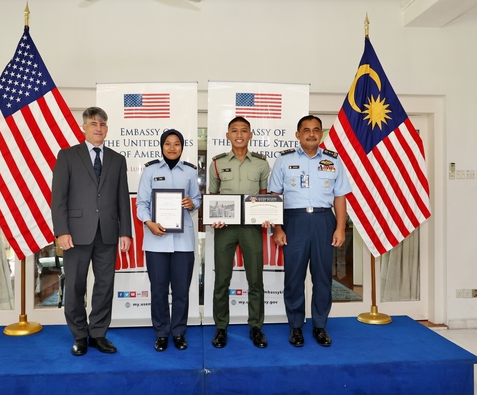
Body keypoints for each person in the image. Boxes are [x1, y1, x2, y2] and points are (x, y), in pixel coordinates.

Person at [51, 106, 132, 356]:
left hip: (107, 233)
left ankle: (98, 333)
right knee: (75, 285)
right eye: (94, 124)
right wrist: (62, 231)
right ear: (83, 127)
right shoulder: (67, 156)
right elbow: (59, 198)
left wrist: (125, 232)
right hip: (75, 233)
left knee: (104, 285)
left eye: (103, 124)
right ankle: (79, 335)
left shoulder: (117, 159)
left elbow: (122, 199)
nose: (99, 128)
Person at [268, 115, 351, 348]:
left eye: (316, 130)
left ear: (321, 134)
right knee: (294, 277)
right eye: (306, 130)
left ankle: (320, 326)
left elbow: (340, 196)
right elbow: (275, 196)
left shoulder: (333, 160)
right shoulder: (284, 160)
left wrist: (341, 227)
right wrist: (277, 227)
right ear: (298, 134)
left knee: (323, 277)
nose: (311, 134)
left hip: (324, 220)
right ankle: (295, 326)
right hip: (294, 220)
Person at [136, 129, 202, 352]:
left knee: (182, 290)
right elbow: (141, 204)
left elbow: (197, 198)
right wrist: (148, 223)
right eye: (168, 144)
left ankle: (179, 332)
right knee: (159, 290)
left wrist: (193, 204)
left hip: (183, 242)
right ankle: (162, 332)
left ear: (182, 147)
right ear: (162, 146)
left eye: (177, 144)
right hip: (156, 241)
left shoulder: (190, 172)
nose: (172, 148)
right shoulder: (150, 171)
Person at [208, 117, 271, 349]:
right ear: (227, 135)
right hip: (225, 229)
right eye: (234, 130)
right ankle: (221, 328)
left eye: (244, 130)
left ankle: (256, 327)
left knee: (255, 279)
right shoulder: (217, 163)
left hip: (252, 228)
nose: (239, 134)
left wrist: (267, 213)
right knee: (222, 279)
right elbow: (212, 198)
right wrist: (214, 219)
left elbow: (264, 196)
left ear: (250, 134)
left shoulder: (261, 164)